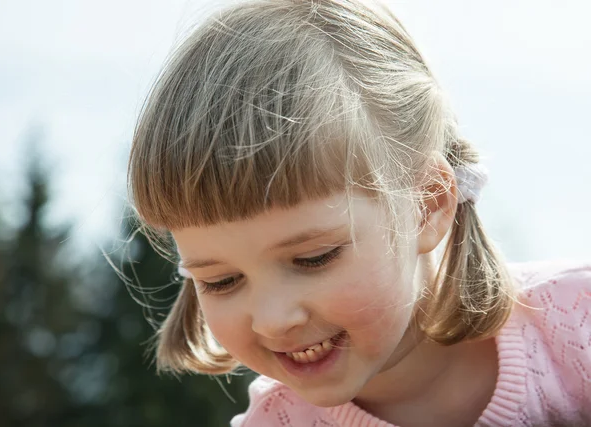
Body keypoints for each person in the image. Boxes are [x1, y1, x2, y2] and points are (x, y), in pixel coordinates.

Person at [126, 0, 591, 425]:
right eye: (220, 281)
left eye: (314, 258)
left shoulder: (577, 324)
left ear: (427, 203)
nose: (272, 319)